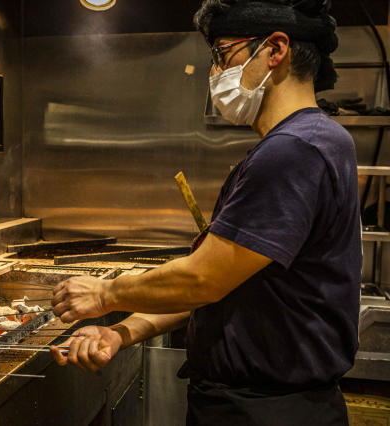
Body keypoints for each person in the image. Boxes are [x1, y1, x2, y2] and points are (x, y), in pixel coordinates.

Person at [50, 1, 362, 425]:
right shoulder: (312, 142)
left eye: (223, 53)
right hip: (262, 404)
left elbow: (203, 277)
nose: (215, 73)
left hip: (265, 411)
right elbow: (225, 286)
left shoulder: (293, 151)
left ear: (275, 49)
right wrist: (122, 330)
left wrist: (106, 294)